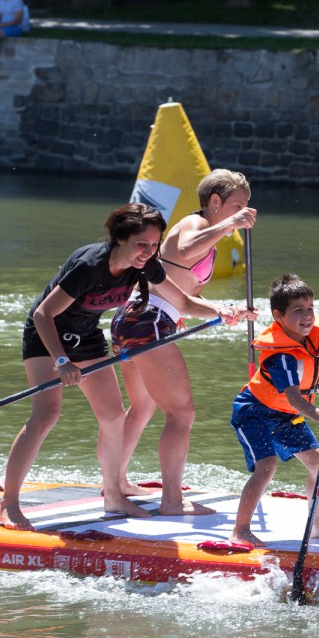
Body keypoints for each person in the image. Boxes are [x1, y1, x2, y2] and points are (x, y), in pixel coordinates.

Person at [0, 204, 172, 531]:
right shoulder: (89, 265)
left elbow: (182, 299)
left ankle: (113, 496)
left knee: (113, 416)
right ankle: (9, 503)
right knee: (46, 414)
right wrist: (61, 360)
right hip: (46, 336)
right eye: (142, 244)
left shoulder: (145, 265)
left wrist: (222, 311)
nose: (149, 252)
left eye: (154, 244)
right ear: (121, 239)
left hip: (86, 337)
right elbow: (43, 314)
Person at [112, 170, 258, 513]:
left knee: (143, 407)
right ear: (215, 202)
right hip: (148, 322)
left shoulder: (211, 240)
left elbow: (184, 300)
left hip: (133, 320)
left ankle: (115, 482)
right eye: (238, 206)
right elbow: (184, 248)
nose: (245, 213)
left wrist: (225, 310)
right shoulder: (194, 225)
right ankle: (172, 501)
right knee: (182, 413)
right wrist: (230, 223)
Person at [229, 274, 319, 546]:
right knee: (266, 467)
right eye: (298, 310)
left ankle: (317, 525)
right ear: (278, 316)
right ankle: (240, 530)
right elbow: (294, 398)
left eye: (310, 308)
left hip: (285, 414)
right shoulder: (281, 356)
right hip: (254, 412)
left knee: (318, 462)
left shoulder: (312, 334)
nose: (307, 316)